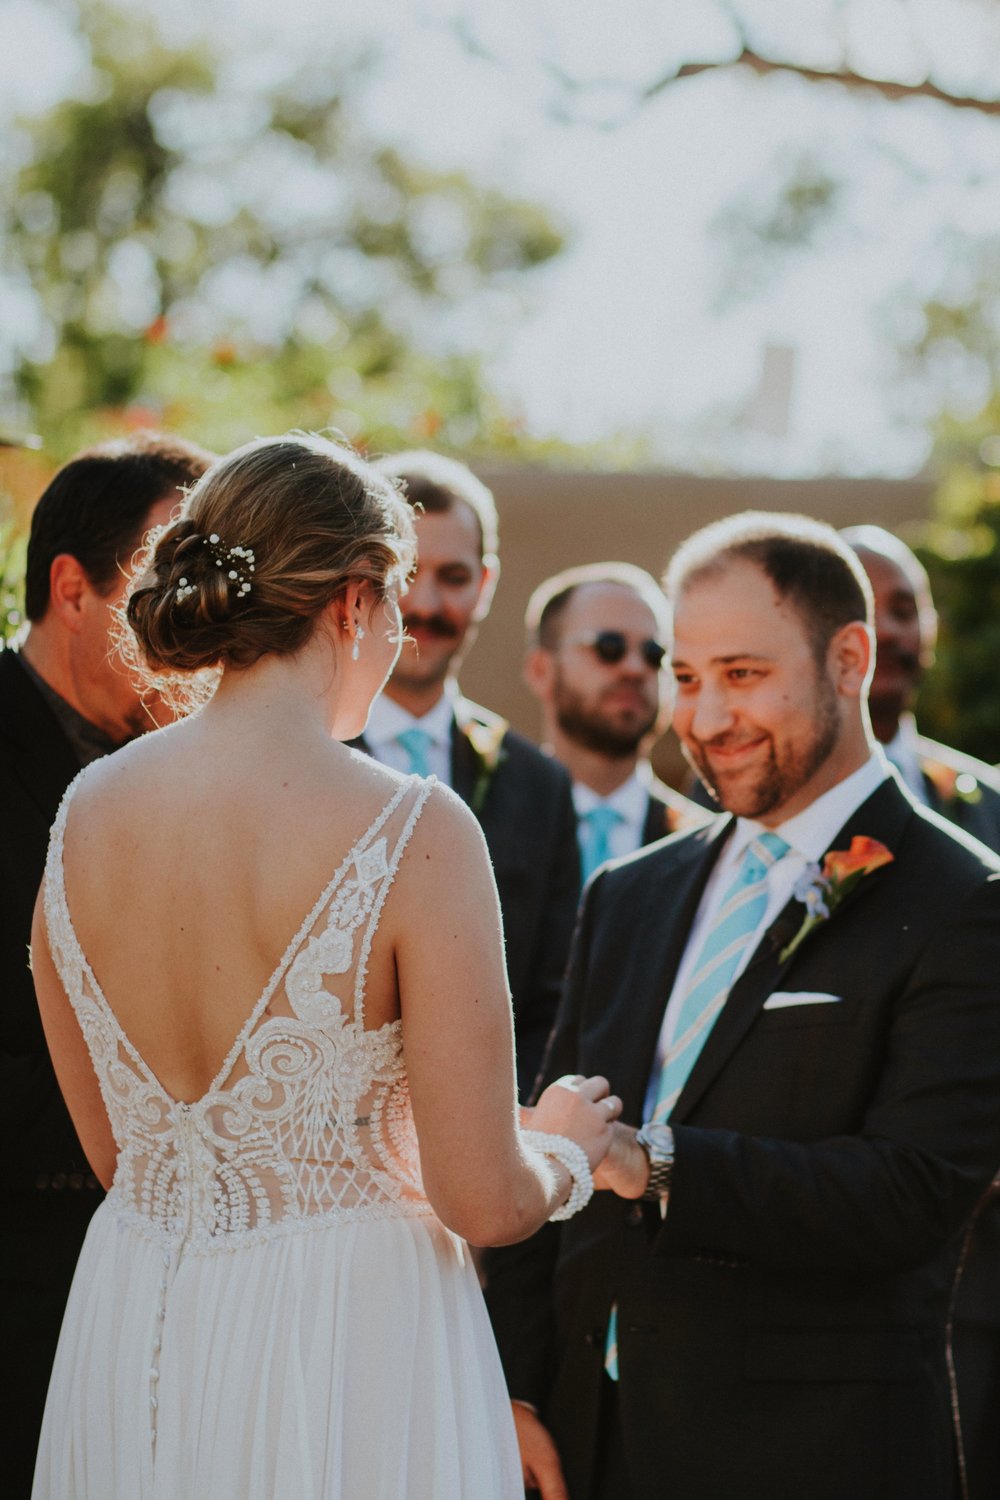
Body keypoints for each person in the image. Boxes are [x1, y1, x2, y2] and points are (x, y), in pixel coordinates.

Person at [29, 432, 620, 1500]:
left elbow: (122, 1160)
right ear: (355, 601)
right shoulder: (410, 829)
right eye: (392, 602)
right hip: (347, 1338)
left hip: (136, 1317)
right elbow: (483, 1201)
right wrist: (568, 1152)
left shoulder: (84, 815)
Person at [485, 512, 1000, 1500]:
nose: (704, 716)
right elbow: (551, 1145)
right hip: (586, 1449)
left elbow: (910, 1195)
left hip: (808, 1455)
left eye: (742, 674)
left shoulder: (962, 900)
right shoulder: (629, 893)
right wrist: (514, 1392)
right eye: (685, 677)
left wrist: (654, 1163)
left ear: (848, 659)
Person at [0, 431, 214, 1500]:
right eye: (165, 577)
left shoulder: (221, 767)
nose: (195, 619)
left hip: (185, 1287)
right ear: (70, 586)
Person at [842, 523, 1000, 1500]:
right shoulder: (730, 811)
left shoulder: (986, 801)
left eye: (906, 604)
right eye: (866, 606)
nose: (890, 628)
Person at [356, 451, 581, 1098]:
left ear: (484, 585)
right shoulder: (299, 754)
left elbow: (552, 997)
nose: (426, 604)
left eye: (453, 578)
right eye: (408, 574)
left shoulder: (540, 784)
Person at [523, 561, 708, 879]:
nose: (635, 669)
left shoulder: (706, 845)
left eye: (654, 653)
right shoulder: (485, 824)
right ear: (542, 670)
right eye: (609, 647)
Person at [841, 524, 1000, 845]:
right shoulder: (748, 804)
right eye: (860, 612)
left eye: (902, 612)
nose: (884, 631)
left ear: (932, 628)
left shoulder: (989, 801)